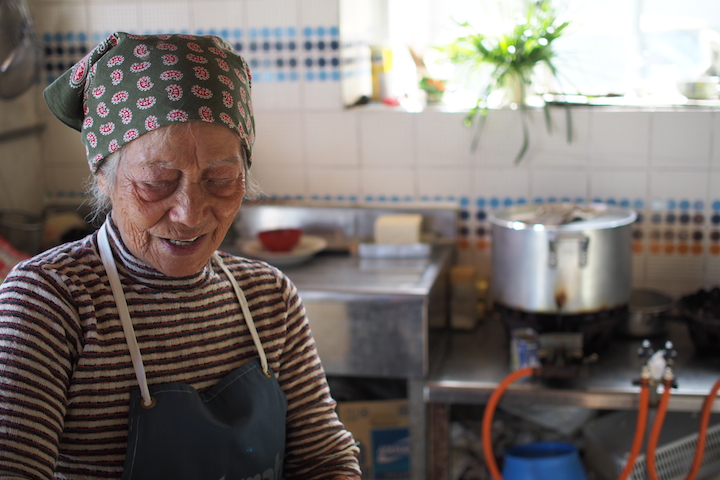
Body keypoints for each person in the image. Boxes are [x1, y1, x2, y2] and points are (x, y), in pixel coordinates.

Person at [0, 32, 361, 480]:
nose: (190, 215)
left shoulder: (269, 297)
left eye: (221, 179)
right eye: (156, 182)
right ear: (103, 177)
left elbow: (324, 460)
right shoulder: (49, 302)